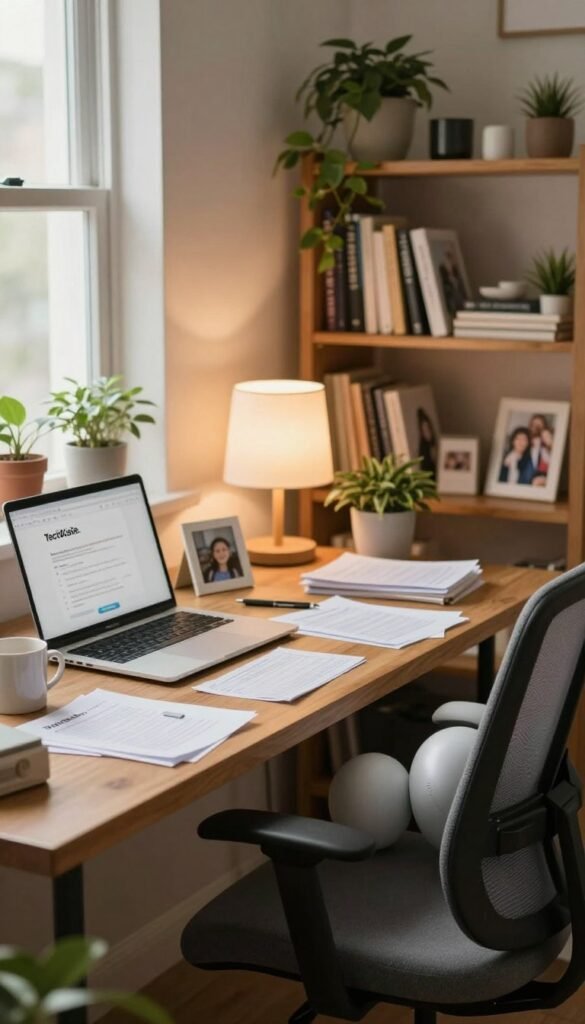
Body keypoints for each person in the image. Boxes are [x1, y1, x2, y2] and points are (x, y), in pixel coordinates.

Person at [417, 407, 438, 477]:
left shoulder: (434, 443)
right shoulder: (423, 449)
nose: (427, 433)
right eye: (424, 431)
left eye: (428, 429)